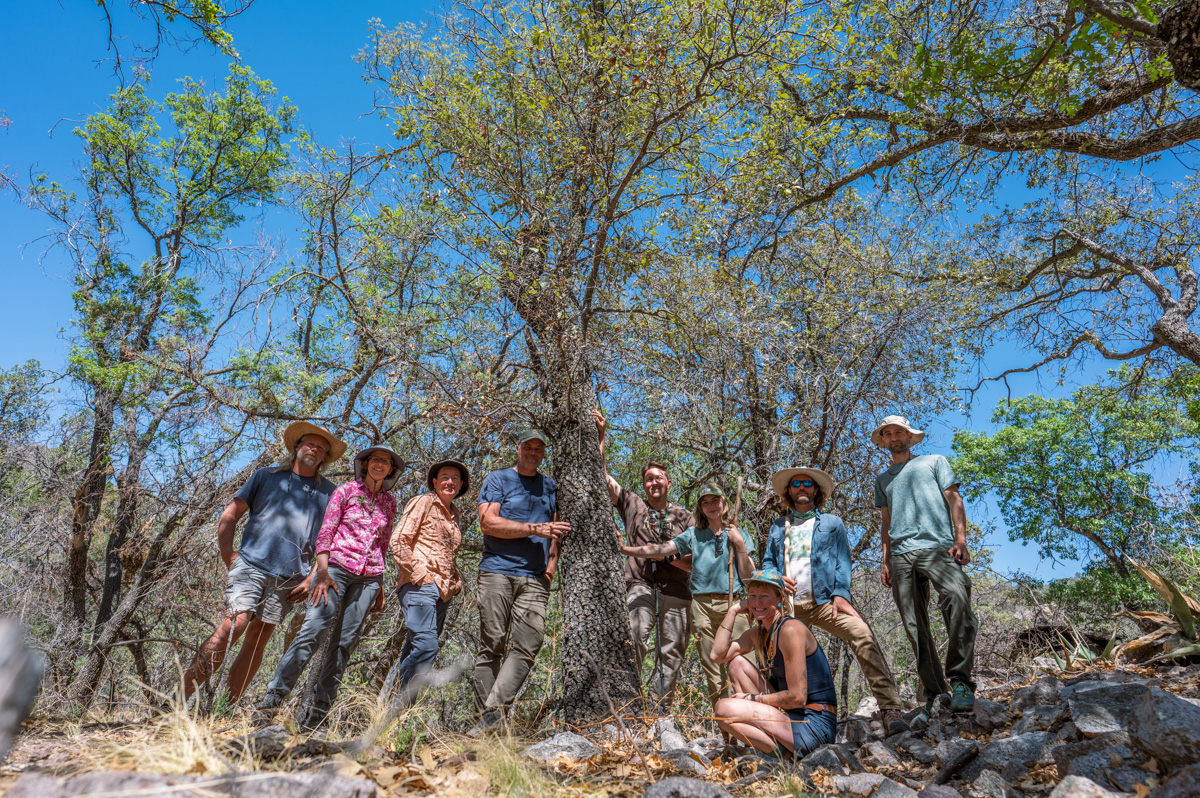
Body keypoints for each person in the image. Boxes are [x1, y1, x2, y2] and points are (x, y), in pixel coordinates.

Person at [182, 421, 344, 704]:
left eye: (320, 448)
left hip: (289, 578)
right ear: (297, 447)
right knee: (236, 623)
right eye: (310, 444)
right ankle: (178, 698)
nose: (314, 450)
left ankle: (224, 709)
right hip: (251, 565)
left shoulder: (329, 493)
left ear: (324, 458)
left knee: (257, 639)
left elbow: (328, 539)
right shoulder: (266, 476)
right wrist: (227, 555)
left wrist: (312, 578)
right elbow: (231, 514)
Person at [259, 444, 403, 725]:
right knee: (313, 630)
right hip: (335, 569)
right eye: (375, 459)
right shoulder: (346, 491)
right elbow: (326, 533)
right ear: (365, 464)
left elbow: (382, 544)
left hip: (370, 577)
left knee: (344, 643)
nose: (380, 465)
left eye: (386, 462)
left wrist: (381, 584)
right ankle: (270, 703)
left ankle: (317, 716)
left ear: (390, 470)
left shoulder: (390, 502)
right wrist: (321, 572)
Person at [761, 466, 909, 735]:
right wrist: (775, 578)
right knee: (766, 655)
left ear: (816, 490)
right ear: (789, 491)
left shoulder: (832, 524)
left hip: (824, 604)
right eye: (796, 484)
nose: (802, 487)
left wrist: (841, 595)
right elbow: (768, 563)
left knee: (861, 634)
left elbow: (843, 561)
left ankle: (890, 707)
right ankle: (771, 719)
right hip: (787, 608)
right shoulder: (777, 526)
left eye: (807, 483)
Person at [873, 415, 978, 715]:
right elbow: (886, 522)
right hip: (901, 555)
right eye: (888, 433)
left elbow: (954, 499)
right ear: (883, 441)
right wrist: (885, 560)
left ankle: (961, 681)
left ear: (910, 436)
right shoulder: (883, 480)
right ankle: (934, 691)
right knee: (913, 624)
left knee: (957, 597)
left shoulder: (934, 461)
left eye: (899, 432)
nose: (894, 437)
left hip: (937, 547)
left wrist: (961, 540)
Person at [469, 430, 570, 735]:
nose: (533, 452)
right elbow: (488, 523)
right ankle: (487, 727)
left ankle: (491, 717)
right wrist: (533, 528)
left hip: (536, 578)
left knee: (529, 643)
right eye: (529, 447)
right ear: (518, 449)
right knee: (492, 645)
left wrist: (551, 570)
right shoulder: (498, 480)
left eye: (539, 448)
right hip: (497, 571)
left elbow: (556, 530)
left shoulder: (550, 485)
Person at [592, 409, 694, 709]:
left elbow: (691, 563)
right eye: (648, 479)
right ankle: (629, 705)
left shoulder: (686, 517)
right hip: (639, 585)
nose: (653, 483)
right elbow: (603, 478)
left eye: (658, 478)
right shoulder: (633, 504)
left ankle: (660, 711)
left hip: (677, 591)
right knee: (634, 637)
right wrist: (601, 437)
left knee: (672, 652)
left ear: (669, 483)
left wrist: (664, 556)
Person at [621, 483, 755, 706]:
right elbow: (661, 549)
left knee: (744, 662)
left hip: (734, 606)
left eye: (715, 500)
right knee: (712, 668)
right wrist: (626, 549)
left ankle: (752, 719)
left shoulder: (739, 534)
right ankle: (726, 727)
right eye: (705, 502)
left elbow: (749, 576)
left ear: (724, 503)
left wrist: (739, 545)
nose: (711, 506)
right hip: (701, 607)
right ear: (700, 508)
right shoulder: (694, 534)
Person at [710, 568, 838, 759]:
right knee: (735, 663)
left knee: (723, 709)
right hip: (787, 715)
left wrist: (751, 699)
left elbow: (797, 698)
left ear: (780, 599)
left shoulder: (791, 629)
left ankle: (783, 757)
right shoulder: (758, 634)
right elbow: (717, 656)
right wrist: (733, 611)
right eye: (752, 596)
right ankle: (775, 750)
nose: (757, 602)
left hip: (812, 722)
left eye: (764, 596)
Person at [378, 456, 470, 704]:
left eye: (455, 479)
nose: (449, 482)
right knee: (426, 647)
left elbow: (447, 556)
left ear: (461, 485)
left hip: (442, 593)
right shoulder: (423, 502)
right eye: (444, 478)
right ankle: (396, 707)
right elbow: (399, 541)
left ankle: (385, 711)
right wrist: (422, 576)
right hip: (419, 587)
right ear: (434, 482)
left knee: (414, 649)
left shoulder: (455, 516)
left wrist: (456, 582)